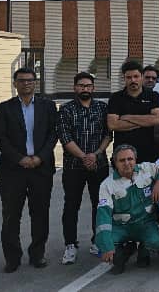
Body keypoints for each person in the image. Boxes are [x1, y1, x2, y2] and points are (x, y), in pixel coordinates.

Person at [0, 68, 59, 272]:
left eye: (30, 80)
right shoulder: (5, 108)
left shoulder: (48, 106)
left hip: (41, 168)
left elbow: (53, 134)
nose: (26, 83)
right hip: (13, 169)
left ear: (35, 83)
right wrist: (20, 158)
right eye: (21, 80)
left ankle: (37, 254)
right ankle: (12, 258)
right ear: (15, 84)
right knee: (11, 215)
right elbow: (0, 137)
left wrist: (40, 157)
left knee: (40, 214)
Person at [58, 72, 112, 265]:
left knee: (100, 205)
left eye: (88, 86)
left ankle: (97, 241)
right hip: (73, 166)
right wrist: (83, 157)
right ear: (75, 87)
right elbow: (65, 138)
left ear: (93, 88)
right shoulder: (66, 109)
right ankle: (70, 244)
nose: (85, 89)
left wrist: (95, 154)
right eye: (81, 85)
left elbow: (108, 135)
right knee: (71, 205)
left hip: (99, 165)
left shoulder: (102, 108)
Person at [97, 145, 159, 275]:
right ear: (115, 163)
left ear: (135, 159)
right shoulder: (107, 185)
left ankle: (143, 250)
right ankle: (126, 251)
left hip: (145, 224)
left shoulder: (147, 169)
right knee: (105, 248)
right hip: (121, 227)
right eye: (122, 160)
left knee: (157, 242)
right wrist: (107, 246)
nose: (127, 163)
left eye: (130, 159)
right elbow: (103, 217)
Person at [107, 61, 159, 163]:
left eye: (136, 76)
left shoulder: (153, 96)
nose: (133, 80)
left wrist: (127, 117)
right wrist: (145, 121)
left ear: (141, 77)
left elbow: (156, 120)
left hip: (148, 154)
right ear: (124, 78)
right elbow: (113, 124)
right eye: (129, 77)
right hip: (123, 155)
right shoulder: (116, 98)